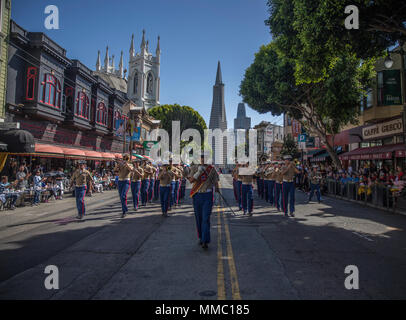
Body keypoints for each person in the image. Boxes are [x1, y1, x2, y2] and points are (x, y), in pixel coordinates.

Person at [188, 153, 220, 249]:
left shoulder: (212, 169)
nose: (203, 161)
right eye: (201, 159)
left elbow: (216, 182)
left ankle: (205, 240)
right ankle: (201, 237)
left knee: (206, 218)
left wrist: (217, 193)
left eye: (204, 159)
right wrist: (198, 172)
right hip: (197, 195)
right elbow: (191, 180)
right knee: (199, 218)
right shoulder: (194, 168)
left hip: (207, 195)